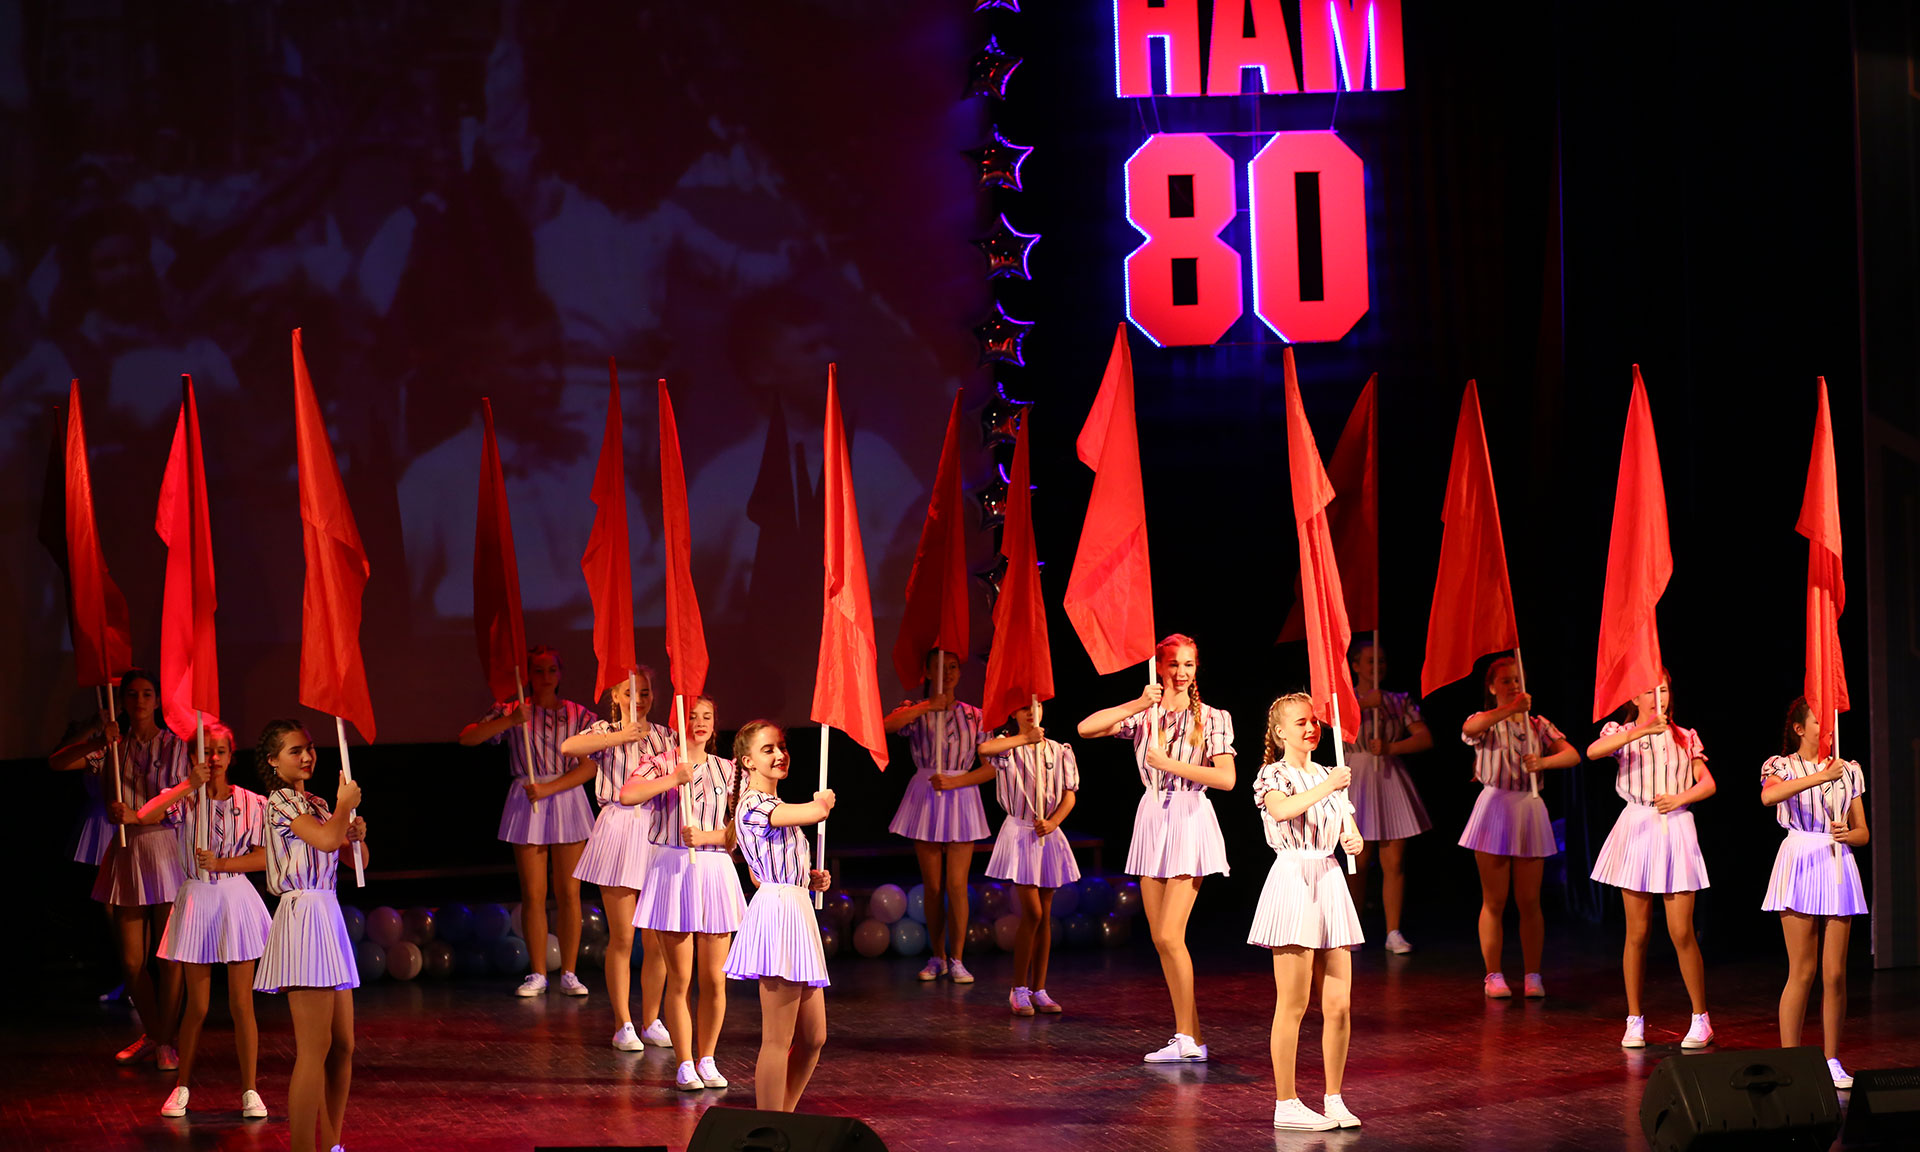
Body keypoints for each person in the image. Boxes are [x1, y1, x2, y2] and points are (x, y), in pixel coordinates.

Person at [1077, 633, 1235, 1064]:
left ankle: (1187, 1038)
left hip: (1189, 816)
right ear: (1160, 668)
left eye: (1189, 664)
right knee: (1159, 938)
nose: (1181, 673)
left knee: (1169, 934)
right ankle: (1190, 1038)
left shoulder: (1213, 717)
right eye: (1174, 665)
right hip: (1152, 817)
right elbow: (1085, 728)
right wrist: (1137, 703)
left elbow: (1226, 778)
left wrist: (1171, 764)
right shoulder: (1145, 716)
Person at [134, 720, 271, 1120]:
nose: (213, 759)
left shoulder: (252, 803)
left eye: (220, 751)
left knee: (242, 1004)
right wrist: (186, 785)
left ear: (231, 756)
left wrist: (225, 862)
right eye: (205, 751)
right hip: (197, 899)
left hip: (235, 898)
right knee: (197, 1005)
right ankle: (182, 1086)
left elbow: (265, 856)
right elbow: (144, 814)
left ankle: (250, 1090)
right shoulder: (187, 800)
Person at [50, 668, 185, 1066]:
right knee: (131, 961)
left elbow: (182, 798)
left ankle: (167, 1039)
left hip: (165, 848)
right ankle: (155, 1033)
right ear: (122, 701)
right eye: (132, 694)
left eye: (147, 694)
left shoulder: (175, 745)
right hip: (127, 851)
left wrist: (138, 815)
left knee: (169, 956)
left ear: (157, 700)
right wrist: (97, 738)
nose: (139, 701)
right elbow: (57, 763)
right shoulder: (113, 747)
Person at [252, 720, 369, 1152]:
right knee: (314, 1047)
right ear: (273, 760)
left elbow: (355, 857)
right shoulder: (279, 801)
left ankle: (332, 1143)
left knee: (343, 1046)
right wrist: (342, 810)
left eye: (309, 748)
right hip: (302, 915)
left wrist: (355, 832)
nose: (306, 756)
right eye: (295, 750)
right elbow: (322, 840)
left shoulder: (318, 802)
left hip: (328, 913)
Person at [1250, 694, 1366, 1131]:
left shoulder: (1328, 773)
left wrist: (1353, 840)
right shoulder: (1273, 773)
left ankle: (1334, 1098)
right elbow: (1281, 810)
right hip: (1294, 880)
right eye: (1301, 722)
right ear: (1281, 731)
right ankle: (1286, 1102)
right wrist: (1329, 786)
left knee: (1339, 1003)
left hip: (1329, 880)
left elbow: (1348, 829)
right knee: (1294, 1003)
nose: (1311, 728)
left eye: (1314, 721)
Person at [457, 645, 597, 998]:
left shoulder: (579, 715)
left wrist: (549, 788)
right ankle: (538, 973)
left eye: (551, 670)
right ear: (528, 675)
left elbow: (590, 766)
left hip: (564, 796)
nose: (545, 677)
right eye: (538, 670)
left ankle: (569, 972)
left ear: (560, 674)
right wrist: (510, 721)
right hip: (527, 800)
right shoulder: (513, 709)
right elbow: (468, 737)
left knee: (569, 892)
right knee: (534, 894)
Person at [1586, 671, 1716, 1049]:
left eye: (1663, 688)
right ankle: (1634, 1019)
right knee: (1637, 932)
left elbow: (1707, 782)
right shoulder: (1621, 732)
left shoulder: (1685, 736)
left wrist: (1680, 798)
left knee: (1681, 931)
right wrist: (1641, 730)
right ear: (1635, 697)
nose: (1658, 696)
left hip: (1676, 827)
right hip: (1637, 826)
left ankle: (1701, 1018)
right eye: (1649, 690)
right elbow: (1593, 752)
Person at [627, 696, 748, 1091]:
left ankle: (707, 1058)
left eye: (707, 716)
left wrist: (708, 837)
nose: (699, 722)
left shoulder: (729, 770)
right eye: (692, 716)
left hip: (714, 871)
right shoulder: (662, 762)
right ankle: (684, 1063)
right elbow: (628, 795)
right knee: (680, 978)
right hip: (672, 870)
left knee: (714, 979)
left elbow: (741, 827)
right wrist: (672, 780)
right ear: (680, 721)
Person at [722, 721, 834, 1113]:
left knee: (814, 1037)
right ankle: (769, 1125)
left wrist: (808, 878)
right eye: (768, 749)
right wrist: (822, 803)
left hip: (795, 907)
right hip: (779, 917)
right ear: (747, 761)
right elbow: (810, 812)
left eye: (781, 747)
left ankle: (784, 1116)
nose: (779, 754)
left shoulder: (773, 805)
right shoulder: (753, 804)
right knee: (777, 1038)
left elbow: (762, 870)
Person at [562, 668, 674, 1050]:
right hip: (619, 828)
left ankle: (652, 1019)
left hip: (657, 829)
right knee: (623, 936)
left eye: (644, 692)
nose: (638, 700)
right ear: (615, 696)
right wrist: (617, 736)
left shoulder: (665, 735)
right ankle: (622, 1022)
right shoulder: (604, 731)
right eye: (629, 693)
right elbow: (568, 748)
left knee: (657, 939)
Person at [1760, 697, 1868, 1088]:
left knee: (1835, 973)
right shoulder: (1781, 765)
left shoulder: (1848, 769)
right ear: (1799, 729)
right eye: (1818, 721)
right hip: (1800, 858)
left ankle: (1831, 1059)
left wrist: (1848, 834)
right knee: (1802, 970)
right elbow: (1769, 797)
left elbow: (1863, 832)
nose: (1826, 728)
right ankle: (1790, 1063)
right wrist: (1821, 777)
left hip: (1837, 860)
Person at [1458, 656, 1579, 998]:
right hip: (1495, 808)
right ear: (1492, 687)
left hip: (1528, 807)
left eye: (1517, 680)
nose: (1513, 685)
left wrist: (1543, 762)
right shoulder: (1486, 722)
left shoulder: (1537, 724)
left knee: (1529, 900)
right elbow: (1469, 729)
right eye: (1506, 680)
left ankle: (1533, 974)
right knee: (1494, 899)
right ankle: (1493, 974)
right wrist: (1510, 708)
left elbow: (1572, 754)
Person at [883, 649, 987, 984]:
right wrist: (928, 706)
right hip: (926, 792)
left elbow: (991, 768)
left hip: (961, 793)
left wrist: (956, 781)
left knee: (956, 885)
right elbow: (885, 726)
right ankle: (937, 956)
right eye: (940, 667)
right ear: (928, 673)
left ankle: (958, 958)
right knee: (933, 885)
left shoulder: (975, 716)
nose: (948, 673)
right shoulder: (916, 711)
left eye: (953, 667)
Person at [975, 702, 1080, 1016]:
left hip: (1047, 832)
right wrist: (1025, 738)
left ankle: (1039, 989)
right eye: (1023, 708)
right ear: (1014, 713)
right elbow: (984, 749)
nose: (1031, 712)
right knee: (1032, 912)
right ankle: (1018, 988)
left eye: (1036, 706)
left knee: (1044, 915)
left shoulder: (1059, 751)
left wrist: (1054, 822)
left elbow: (1069, 794)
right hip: (1020, 833)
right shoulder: (1007, 748)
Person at [1342, 643, 1433, 954]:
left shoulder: (1398, 700)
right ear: (1356, 666)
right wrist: (1364, 703)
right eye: (1370, 661)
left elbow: (1424, 737)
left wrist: (1392, 748)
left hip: (1389, 775)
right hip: (1357, 775)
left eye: (1381, 660)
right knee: (1358, 859)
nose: (1376, 666)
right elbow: (1330, 724)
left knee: (1393, 861)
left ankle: (1393, 931)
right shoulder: (1345, 699)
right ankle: (1352, 928)